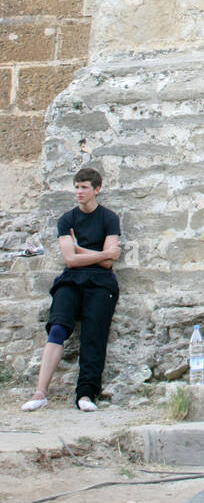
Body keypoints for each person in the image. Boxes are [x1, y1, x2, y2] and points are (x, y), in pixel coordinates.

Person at [23, 167, 121, 413]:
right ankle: (40, 392)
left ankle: (86, 394)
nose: (79, 192)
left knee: (93, 334)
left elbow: (108, 263)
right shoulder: (67, 219)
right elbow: (70, 260)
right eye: (76, 187)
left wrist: (82, 249)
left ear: (96, 189)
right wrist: (102, 253)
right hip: (71, 279)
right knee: (57, 328)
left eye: (84, 187)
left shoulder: (109, 218)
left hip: (101, 282)